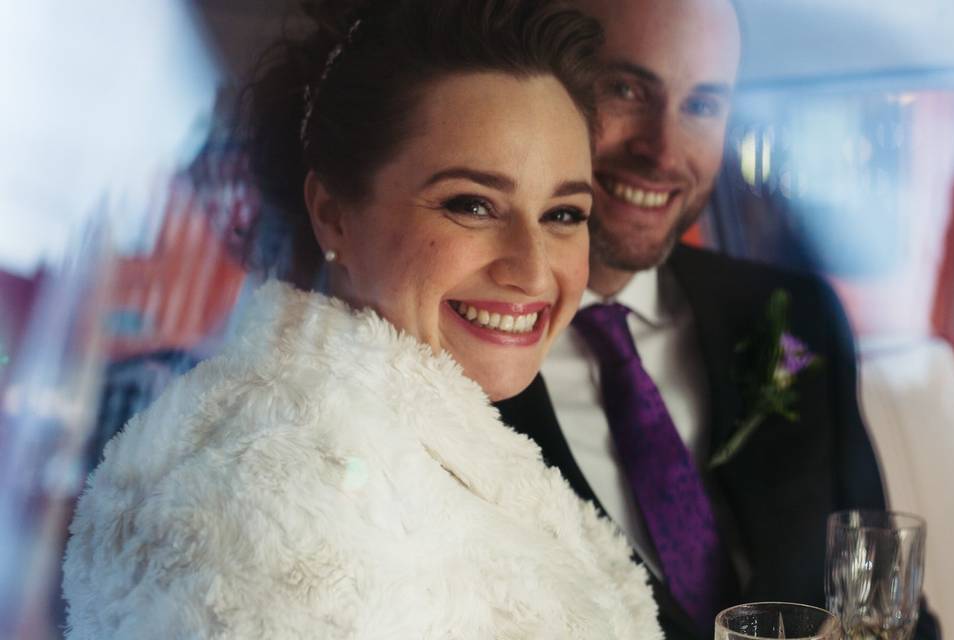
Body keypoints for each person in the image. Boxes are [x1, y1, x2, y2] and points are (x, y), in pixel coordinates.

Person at [61, 1, 664, 638]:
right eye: (472, 205)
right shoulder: (274, 511)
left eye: (564, 214)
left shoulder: (412, 442)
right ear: (334, 214)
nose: (534, 271)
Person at [494, 0, 940, 637]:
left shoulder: (797, 317)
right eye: (623, 89)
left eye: (703, 105)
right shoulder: (461, 351)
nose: (662, 150)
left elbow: (886, 614)